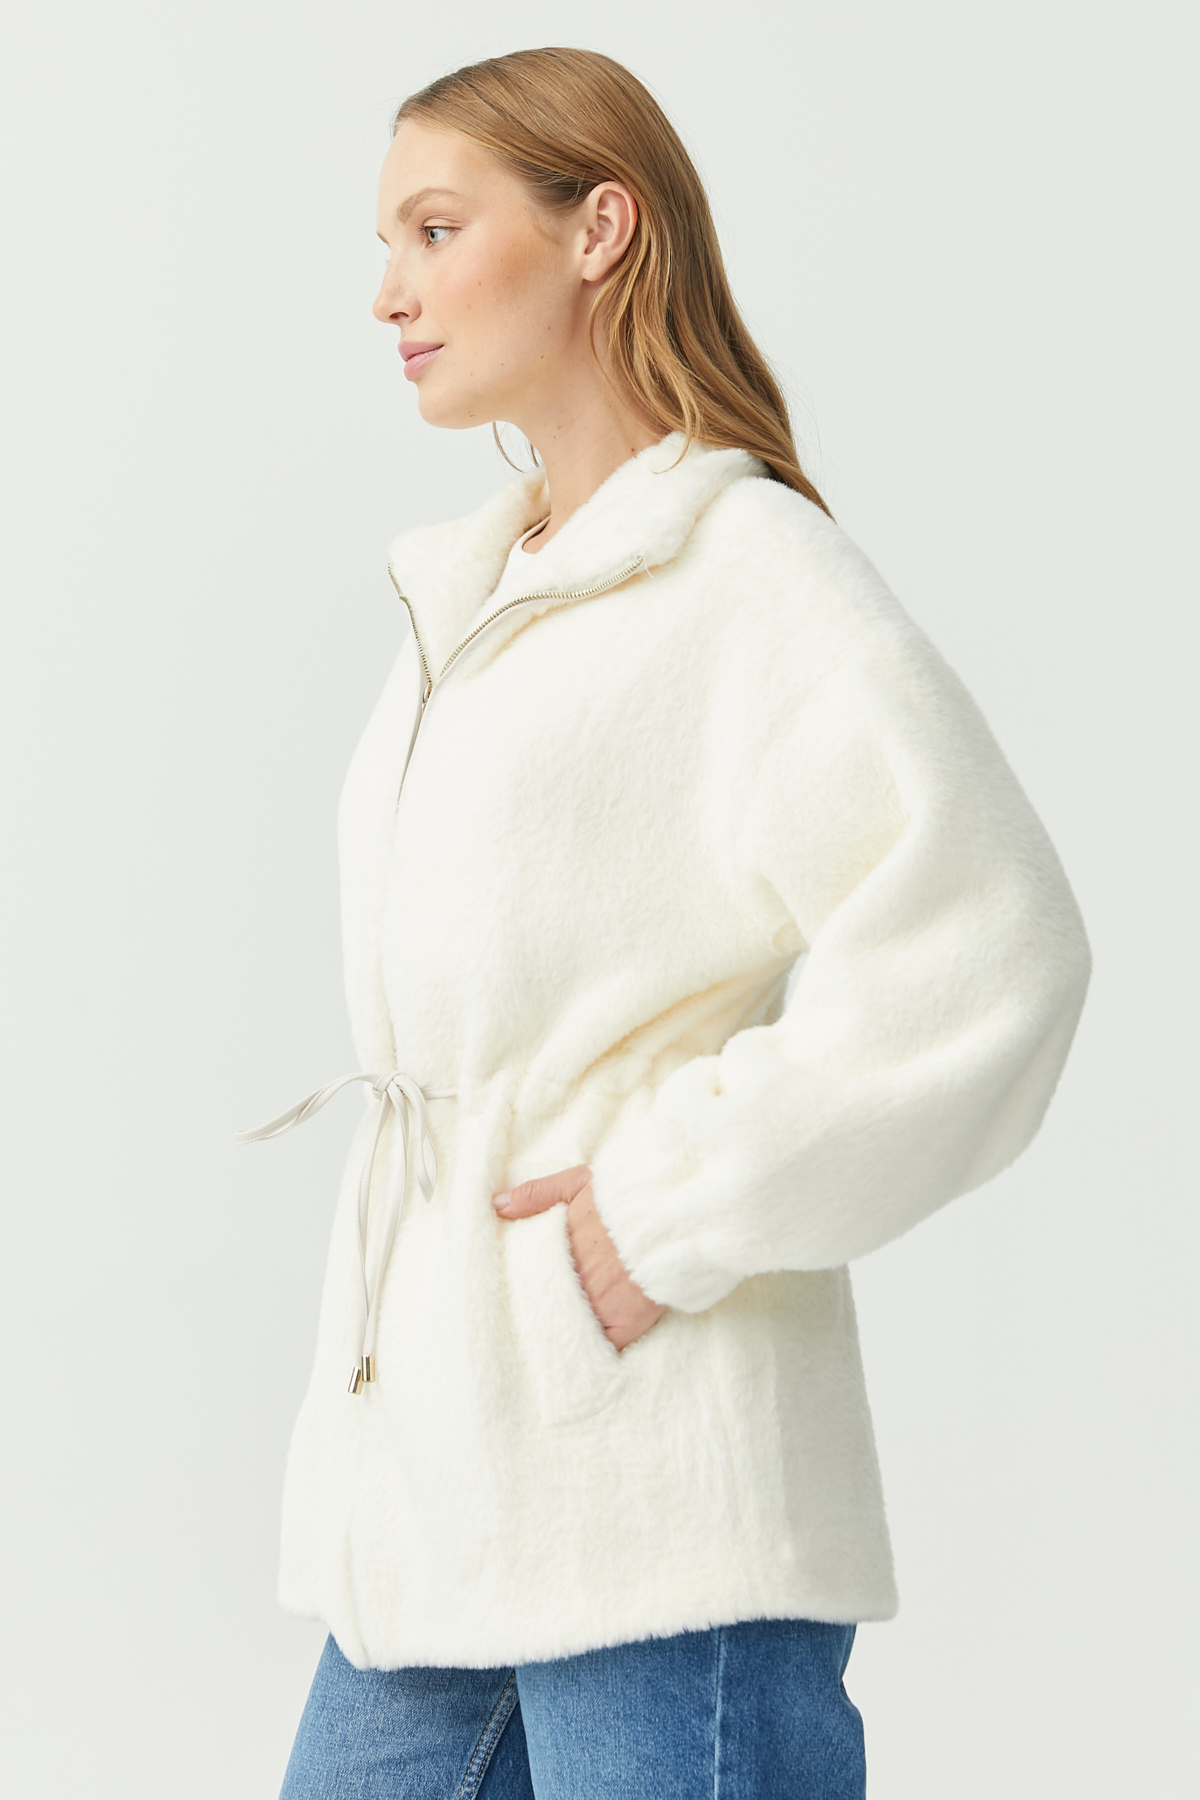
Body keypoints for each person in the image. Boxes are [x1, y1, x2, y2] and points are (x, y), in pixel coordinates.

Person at [242, 45, 1091, 1799]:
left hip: (657, 1493)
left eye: (433, 229)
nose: (387, 291)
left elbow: (993, 949)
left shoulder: (750, 575)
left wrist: (661, 1213)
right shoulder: (476, 588)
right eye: (385, 241)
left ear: (598, 229)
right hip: (432, 1494)